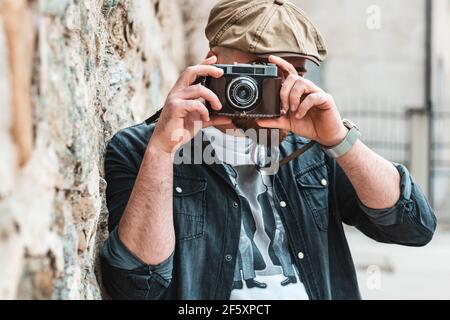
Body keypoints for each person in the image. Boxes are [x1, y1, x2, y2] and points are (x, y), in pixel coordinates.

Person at [100, 0, 436, 300]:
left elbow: (413, 225)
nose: (276, 88)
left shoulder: (312, 148)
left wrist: (338, 139)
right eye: (260, 70)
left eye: (293, 74)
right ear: (211, 63)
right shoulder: (142, 149)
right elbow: (135, 285)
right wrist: (162, 151)